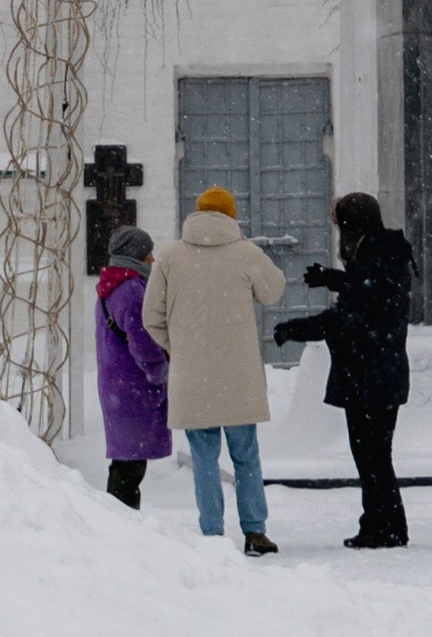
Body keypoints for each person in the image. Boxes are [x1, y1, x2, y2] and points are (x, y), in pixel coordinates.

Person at [141, 186, 286, 553]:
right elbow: (273, 291)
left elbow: (151, 317)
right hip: (238, 375)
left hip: (193, 377)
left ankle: (211, 534)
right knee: (246, 455)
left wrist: (180, 348)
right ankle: (254, 531)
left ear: (197, 213)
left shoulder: (171, 257)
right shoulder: (246, 253)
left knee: (203, 457)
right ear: (231, 216)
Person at [276, 191, 415, 548]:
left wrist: (295, 329)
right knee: (376, 454)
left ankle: (382, 527)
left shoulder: (373, 259)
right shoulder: (387, 251)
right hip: (383, 369)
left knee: (370, 455)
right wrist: (335, 278)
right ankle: (387, 524)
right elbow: (373, 289)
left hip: (370, 373)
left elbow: (347, 317)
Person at [92, 222, 169, 508]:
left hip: (117, 385)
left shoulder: (111, 284)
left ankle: (120, 522)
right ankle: (123, 525)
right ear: (136, 253)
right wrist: (159, 372)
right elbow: (143, 343)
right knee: (130, 468)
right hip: (133, 387)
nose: (152, 258)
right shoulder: (133, 289)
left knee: (124, 462)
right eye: (148, 252)